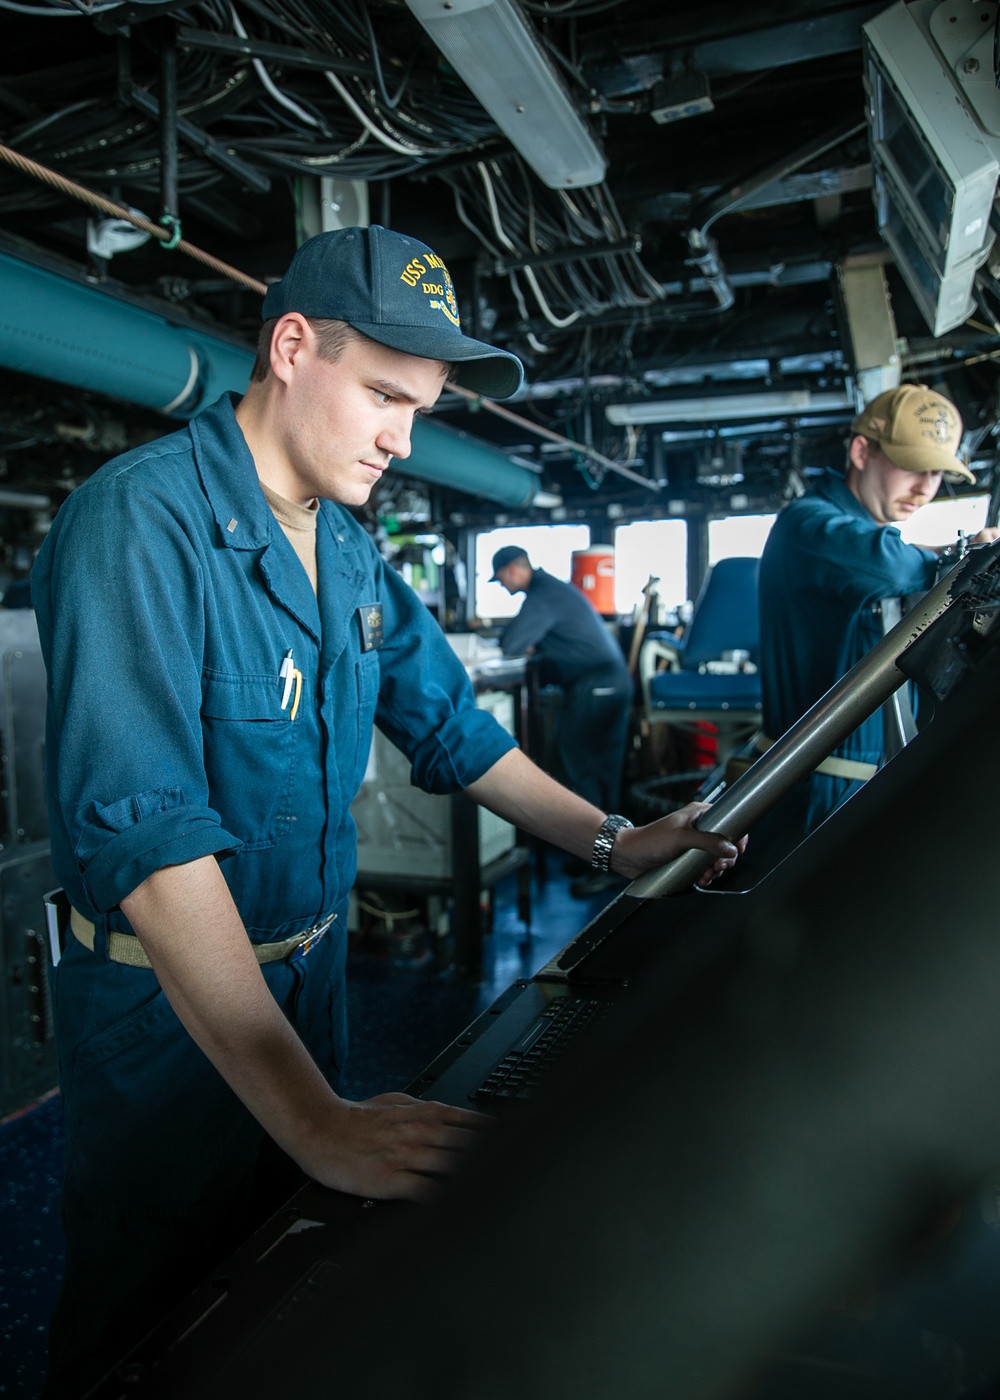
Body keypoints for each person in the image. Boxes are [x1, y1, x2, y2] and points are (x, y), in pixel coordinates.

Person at [31, 224, 746, 1397]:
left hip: (310, 982)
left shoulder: (351, 552)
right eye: (383, 395)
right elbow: (151, 837)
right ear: (293, 346)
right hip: (168, 1009)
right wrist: (314, 1115)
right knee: (149, 1310)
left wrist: (616, 838)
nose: (402, 439)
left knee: (279, 1286)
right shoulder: (140, 521)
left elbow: (456, 730)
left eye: (421, 407)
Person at [757, 381, 997, 856]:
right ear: (862, 451)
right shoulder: (808, 523)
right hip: (817, 785)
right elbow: (888, 562)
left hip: (865, 779)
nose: (926, 487)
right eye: (912, 466)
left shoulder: (862, 533)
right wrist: (969, 555)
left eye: (936, 472)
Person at [491, 545, 634, 897]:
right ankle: (599, 857)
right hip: (607, 684)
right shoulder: (552, 589)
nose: (502, 586)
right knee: (598, 773)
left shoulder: (543, 594)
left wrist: (530, 646)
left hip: (596, 687)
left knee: (584, 770)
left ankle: (606, 865)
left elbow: (511, 643)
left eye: (501, 579)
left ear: (513, 569)